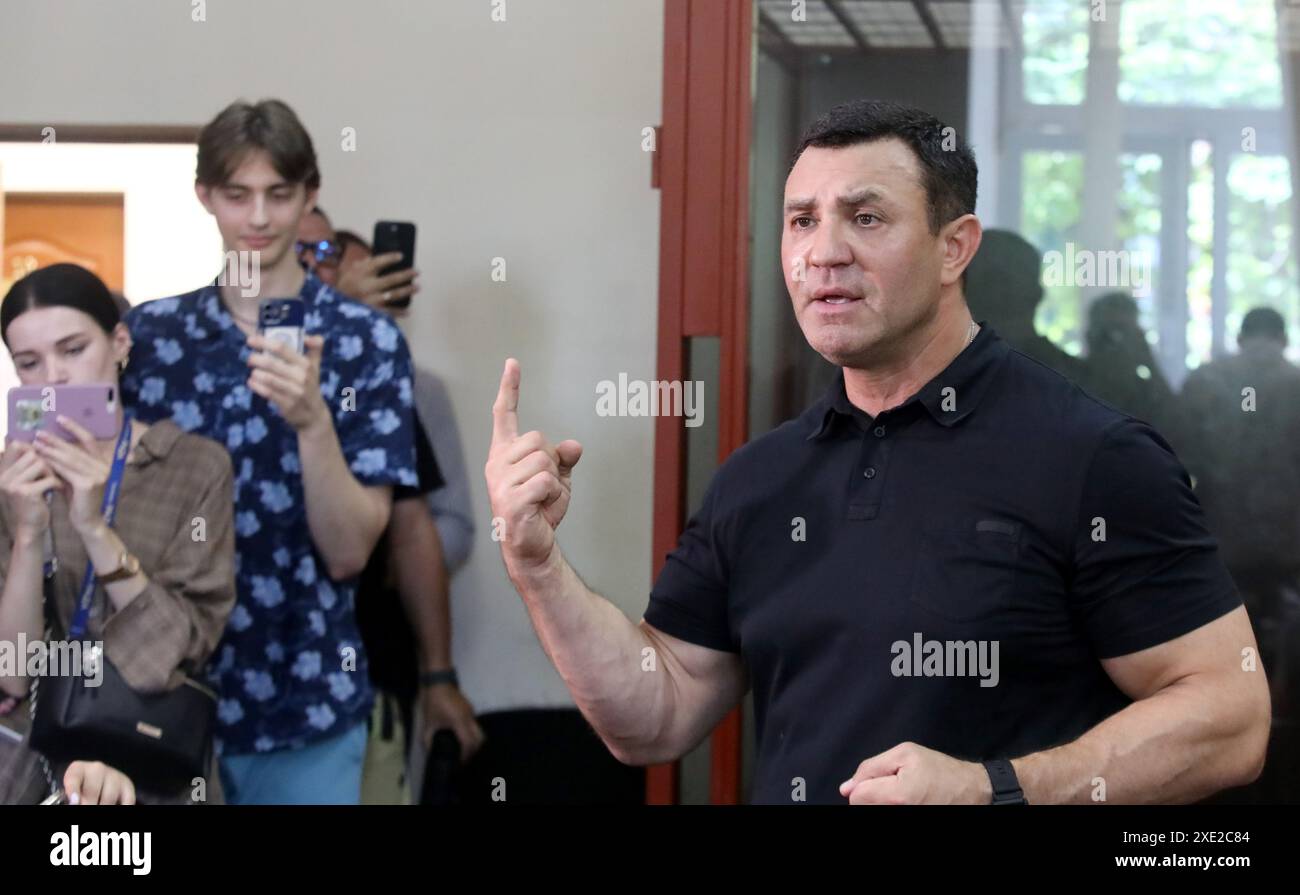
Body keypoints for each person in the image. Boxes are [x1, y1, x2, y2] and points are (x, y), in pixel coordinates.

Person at [485, 99, 1270, 804]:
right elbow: (653, 718)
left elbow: (1231, 718)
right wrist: (537, 566)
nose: (823, 251)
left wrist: (994, 790)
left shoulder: (1093, 455)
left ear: (956, 247)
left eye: (865, 217)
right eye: (801, 220)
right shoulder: (759, 479)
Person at [119, 99, 420, 805]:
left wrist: (314, 423)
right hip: (160, 691)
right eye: (238, 195)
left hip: (306, 696)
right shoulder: (151, 339)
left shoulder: (364, 343)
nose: (258, 217)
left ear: (309, 195)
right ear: (205, 198)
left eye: (279, 195)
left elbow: (349, 552)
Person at [0, 263, 236, 805]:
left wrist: (92, 526)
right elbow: (14, 673)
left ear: (120, 343)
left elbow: (182, 644)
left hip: (151, 753)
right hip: (36, 764)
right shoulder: (13, 483)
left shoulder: (193, 466)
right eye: (30, 363)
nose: (54, 378)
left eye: (74, 349)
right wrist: (30, 533)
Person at [295, 214, 482, 801]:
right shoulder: (232, 368)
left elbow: (428, 524)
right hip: (252, 679)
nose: (317, 267)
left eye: (328, 255)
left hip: (375, 659)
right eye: (307, 254)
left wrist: (438, 674)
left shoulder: (396, 383)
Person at [1178, 306, 1300, 802]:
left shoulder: (1206, 380)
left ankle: (1220, 736)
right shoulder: (1296, 384)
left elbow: (1173, 455)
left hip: (1217, 538)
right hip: (1289, 544)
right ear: (1283, 337)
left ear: (1240, 334)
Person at [964, 228, 1084, 381]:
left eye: (1004, 282)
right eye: (989, 283)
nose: (999, 295)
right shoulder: (1073, 379)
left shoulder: (944, 376)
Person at [1079, 291, 1176, 434]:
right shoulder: (1072, 384)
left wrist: (1149, 362)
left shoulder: (1147, 392)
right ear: (1090, 337)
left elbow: (1176, 425)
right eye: (1106, 335)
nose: (1115, 345)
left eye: (1124, 333)